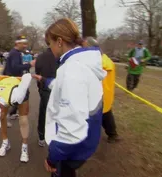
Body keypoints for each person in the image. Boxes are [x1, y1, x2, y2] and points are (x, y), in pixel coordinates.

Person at [32, 18, 106, 177]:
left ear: (59, 41)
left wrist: (52, 157)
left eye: (49, 43)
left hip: (70, 149)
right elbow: (65, 87)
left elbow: (72, 130)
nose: (49, 48)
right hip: (82, 144)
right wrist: (46, 81)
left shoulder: (72, 71)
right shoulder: (80, 64)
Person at [84, 37, 121, 143]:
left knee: (103, 115)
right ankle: (112, 134)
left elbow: (100, 69)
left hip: (102, 94)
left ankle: (112, 135)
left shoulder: (103, 61)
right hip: (102, 94)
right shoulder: (101, 59)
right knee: (106, 114)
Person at [3, 35, 34, 121]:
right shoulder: (15, 53)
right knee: (19, 96)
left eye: (26, 44)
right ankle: (6, 117)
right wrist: (29, 64)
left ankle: (11, 113)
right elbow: (15, 67)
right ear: (17, 43)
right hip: (12, 79)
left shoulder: (15, 52)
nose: (25, 46)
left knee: (16, 98)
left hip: (13, 79)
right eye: (23, 44)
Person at [35, 46, 58, 147]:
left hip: (45, 88)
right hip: (59, 88)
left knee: (44, 113)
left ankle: (41, 137)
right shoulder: (62, 56)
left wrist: (39, 87)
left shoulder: (40, 57)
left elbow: (37, 72)